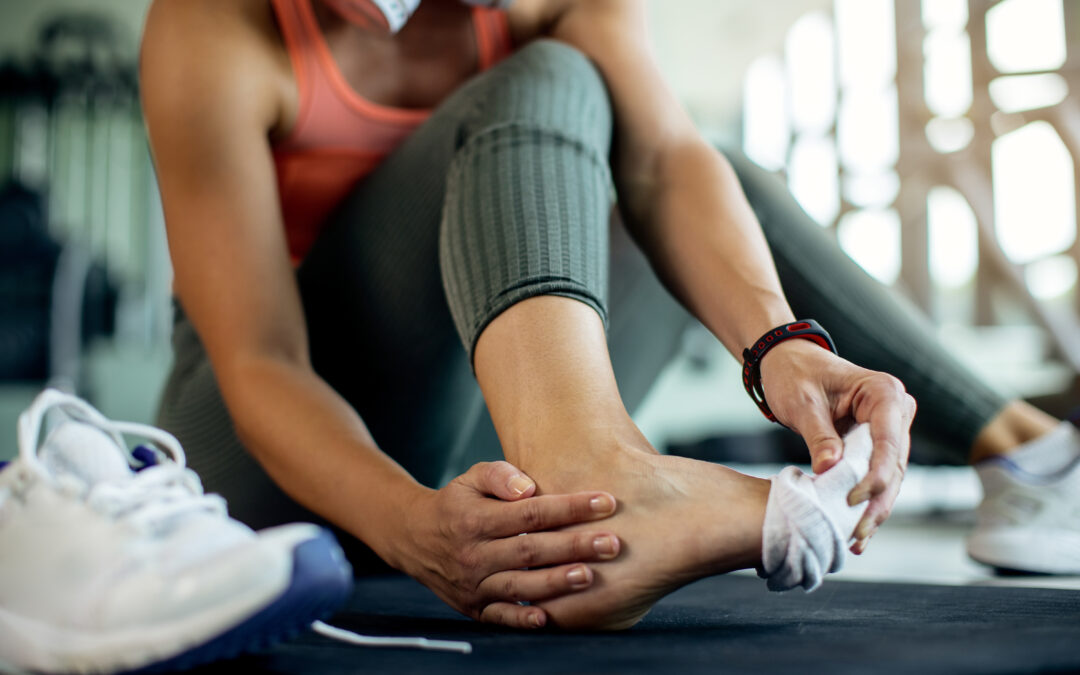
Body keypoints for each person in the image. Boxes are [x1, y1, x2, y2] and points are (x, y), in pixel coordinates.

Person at [139, 0, 1077, 630]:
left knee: (703, 169)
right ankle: (592, 462)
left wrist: (781, 346)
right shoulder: (213, 29)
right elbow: (260, 360)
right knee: (541, 78)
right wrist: (411, 532)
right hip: (269, 455)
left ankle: (1027, 454)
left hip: (462, 413)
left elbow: (667, 163)